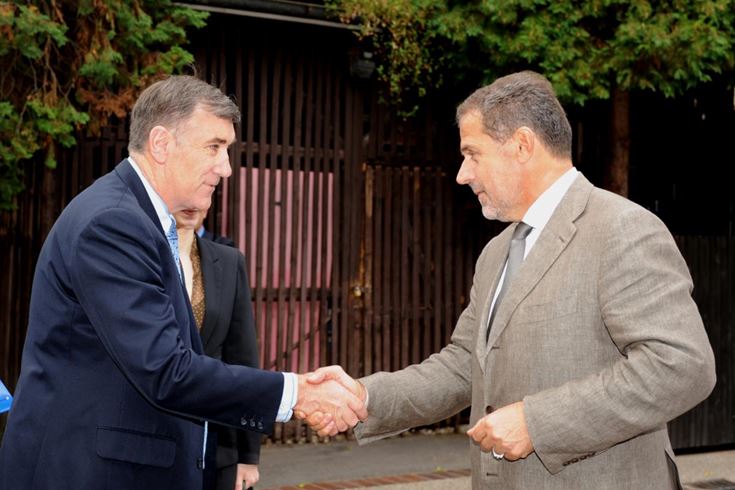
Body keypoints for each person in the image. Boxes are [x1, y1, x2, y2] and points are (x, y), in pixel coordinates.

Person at [305, 71, 716, 489]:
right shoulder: (496, 252)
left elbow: (682, 366)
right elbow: (463, 366)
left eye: (472, 154)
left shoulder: (622, 229)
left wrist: (537, 423)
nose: (462, 174)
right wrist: (365, 397)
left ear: (522, 145)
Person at [0, 75, 366, 490]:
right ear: (161, 144)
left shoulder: (139, 219)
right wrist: (297, 393)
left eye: (227, 149)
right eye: (214, 147)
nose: (226, 167)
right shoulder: (113, 223)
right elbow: (165, 371)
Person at [175, 208, 261, 490]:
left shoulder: (227, 260)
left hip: (219, 439)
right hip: (155, 440)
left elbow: (243, 357)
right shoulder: (140, 254)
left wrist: (248, 456)